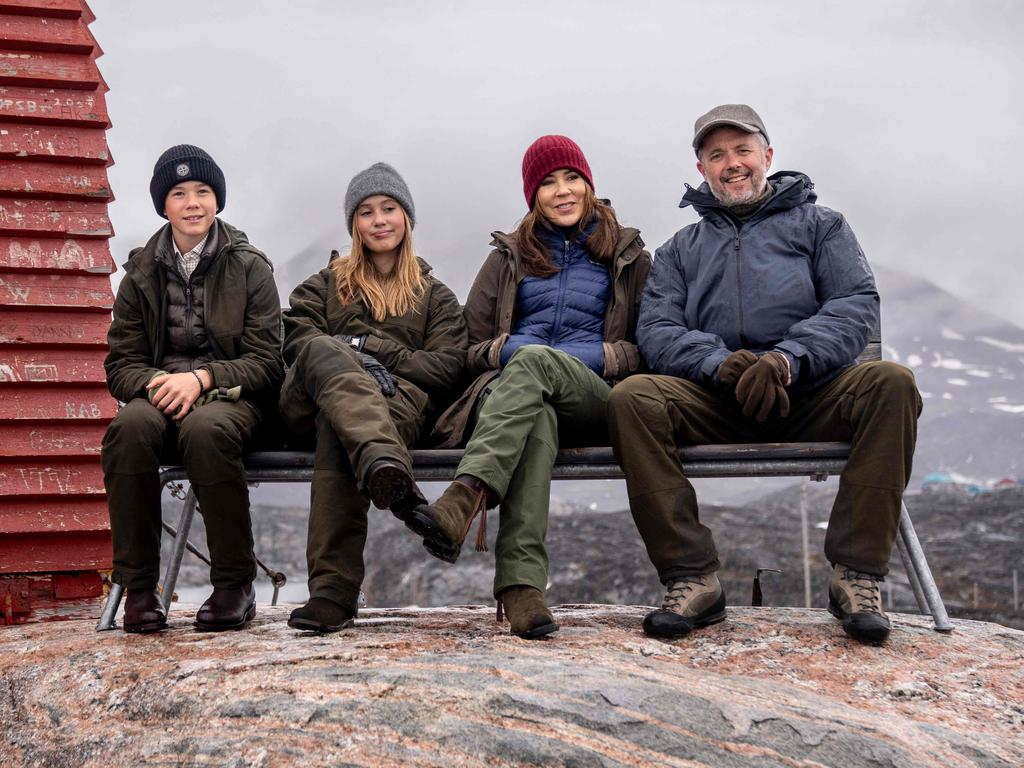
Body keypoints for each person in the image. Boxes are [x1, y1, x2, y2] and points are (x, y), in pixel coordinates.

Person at [607, 105, 922, 644]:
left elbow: (853, 305)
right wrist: (719, 364)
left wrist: (786, 360)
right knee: (633, 397)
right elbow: (657, 329)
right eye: (717, 155)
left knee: (891, 383)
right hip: (715, 401)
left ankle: (856, 577)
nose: (733, 164)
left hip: (809, 393)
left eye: (743, 150)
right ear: (702, 168)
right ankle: (691, 579)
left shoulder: (823, 226)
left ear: (768, 156)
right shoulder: (680, 250)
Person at [412, 136, 651, 639]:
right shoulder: (507, 258)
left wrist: (566, 356)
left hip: (596, 398)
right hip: (518, 403)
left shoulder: (627, 256)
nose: (562, 191)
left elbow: (646, 348)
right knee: (534, 408)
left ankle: (466, 493)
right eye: (547, 183)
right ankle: (522, 589)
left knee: (537, 364)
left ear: (589, 184)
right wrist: (506, 353)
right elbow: (468, 347)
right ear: (532, 195)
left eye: (572, 179)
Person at [102, 144, 284, 633]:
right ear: (164, 205)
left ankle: (234, 584)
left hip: (234, 400)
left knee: (206, 430)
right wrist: (159, 383)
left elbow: (268, 363)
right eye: (179, 193)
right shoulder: (140, 272)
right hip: (161, 396)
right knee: (129, 428)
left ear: (217, 200)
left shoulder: (250, 267)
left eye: (203, 191)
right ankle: (140, 589)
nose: (193, 203)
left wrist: (202, 378)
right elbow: (121, 365)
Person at [281, 162, 467, 633]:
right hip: (307, 403)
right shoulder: (323, 286)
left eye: (389, 208)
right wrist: (352, 361)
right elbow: (298, 344)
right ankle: (391, 479)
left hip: (395, 409)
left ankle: (332, 594)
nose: (379, 220)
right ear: (353, 225)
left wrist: (370, 347)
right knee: (324, 351)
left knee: (339, 424)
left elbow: (445, 368)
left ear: (406, 217)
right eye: (366, 212)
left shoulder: (435, 297)